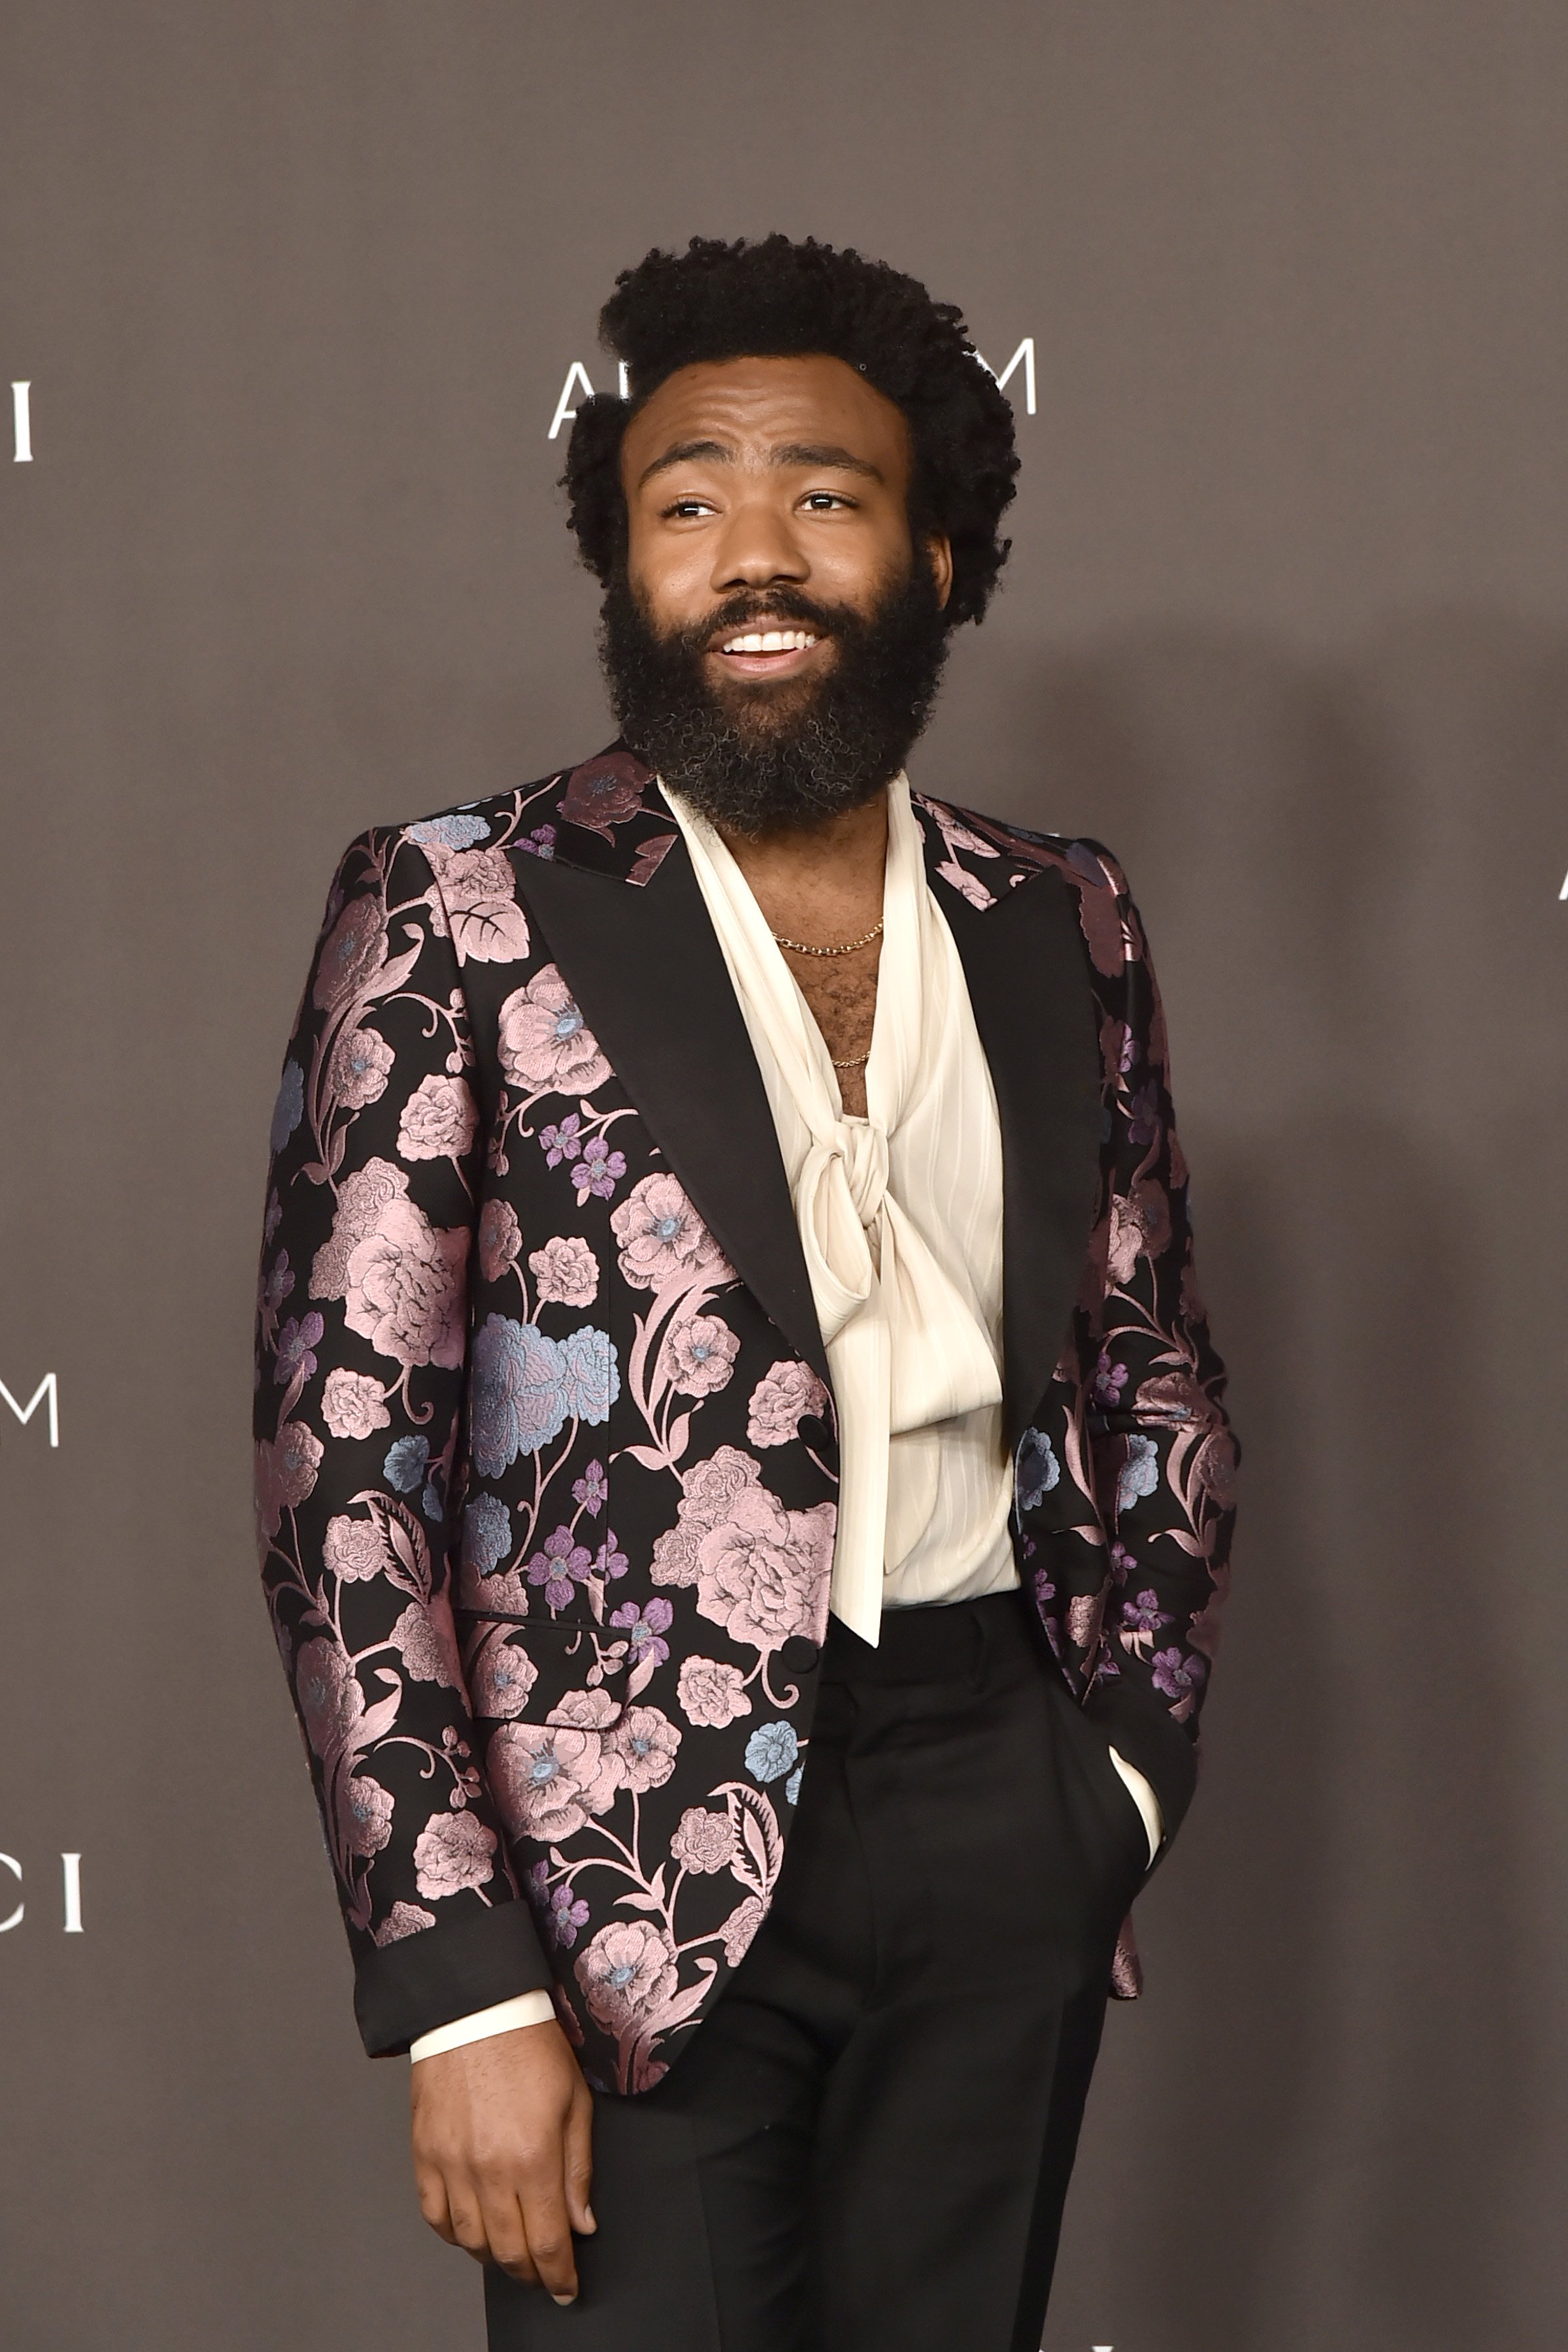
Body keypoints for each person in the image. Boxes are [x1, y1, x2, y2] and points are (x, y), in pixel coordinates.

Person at [255, 233, 1237, 2352]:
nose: (753, 554)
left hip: (1005, 1790)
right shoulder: (457, 908)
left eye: (825, 497)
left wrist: (1117, 1782)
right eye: (689, 502)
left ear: (941, 553)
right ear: (625, 566)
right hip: (619, 1860)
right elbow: (347, 1472)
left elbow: (1152, 1367)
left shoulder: (1063, 916)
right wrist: (460, 1978)